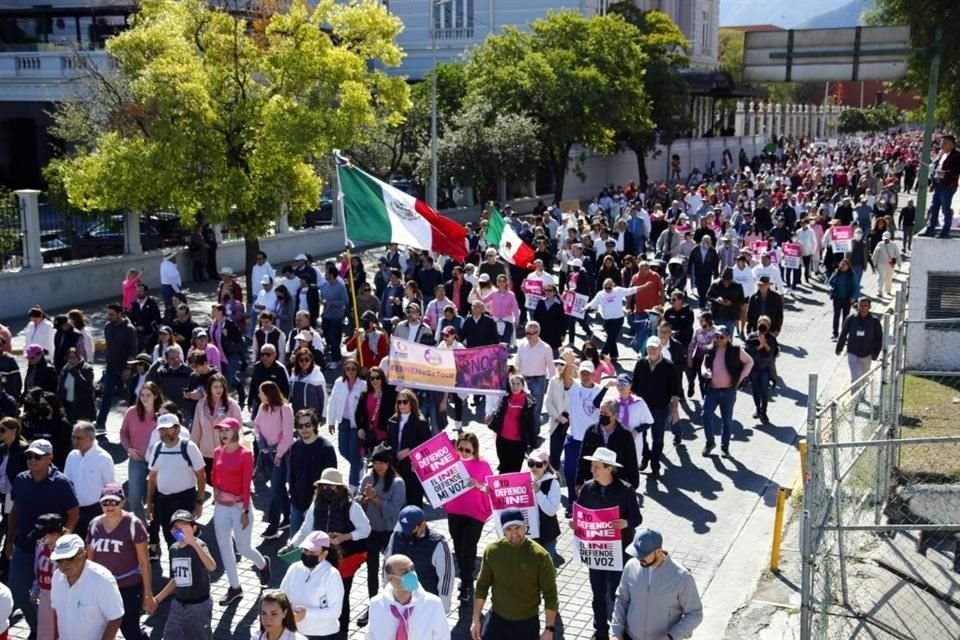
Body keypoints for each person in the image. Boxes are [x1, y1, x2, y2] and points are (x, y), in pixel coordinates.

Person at [283, 468, 371, 637]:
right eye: (323, 486)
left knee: (341, 597)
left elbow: (365, 529)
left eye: (331, 487)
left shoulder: (351, 506)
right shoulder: (316, 504)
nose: (326, 490)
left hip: (345, 558)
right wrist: (292, 544)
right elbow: (306, 528)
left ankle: (342, 632)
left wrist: (344, 537)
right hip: (318, 556)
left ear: (340, 488)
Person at [5, 438, 79, 637]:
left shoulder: (61, 483)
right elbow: (15, 510)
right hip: (23, 546)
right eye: (29, 456)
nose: (31, 460)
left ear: (50, 458)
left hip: (51, 552)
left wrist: (63, 541)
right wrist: (9, 540)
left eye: (37, 456)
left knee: (52, 596)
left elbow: (73, 513)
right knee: (18, 592)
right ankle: (37, 626)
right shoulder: (21, 479)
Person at [575, 447, 643, 640]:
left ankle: (619, 627)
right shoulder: (588, 488)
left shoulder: (625, 490)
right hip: (596, 551)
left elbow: (637, 518)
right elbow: (579, 513)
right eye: (592, 466)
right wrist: (576, 523)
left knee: (617, 593)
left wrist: (626, 523)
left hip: (619, 551)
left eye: (596, 467)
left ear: (609, 468)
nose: (592, 470)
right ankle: (600, 628)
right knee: (597, 592)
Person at [471, 508, 559, 640]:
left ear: (525, 526)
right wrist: (475, 620)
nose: (514, 533)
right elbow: (482, 586)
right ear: (503, 531)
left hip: (526, 624)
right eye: (509, 529)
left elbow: (551, 595)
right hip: (497, 620)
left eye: (517, 527)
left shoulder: (540, 556)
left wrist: (549, 629)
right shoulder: (492, 551)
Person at [210, 417, 270, 606]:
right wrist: (217, 492)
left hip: (239, 506)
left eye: (226, 430)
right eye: (220, 431)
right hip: (221, 506)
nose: (223, 434)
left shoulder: (245, 454)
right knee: (224, 546)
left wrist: (244, 510)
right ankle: (235, 587)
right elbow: (214, 476)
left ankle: (262, 564)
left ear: (236, 431)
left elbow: (246, 485)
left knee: (243, 548)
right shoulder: (217, 452)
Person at [85, 484, 153, 640]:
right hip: (100, 587)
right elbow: (89, 559)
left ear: (123, 502)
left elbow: (144, 562)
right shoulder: (94, 524)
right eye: (105, 502)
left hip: (127, 587)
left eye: (114, 502)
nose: (110, 506)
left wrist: (148, 594)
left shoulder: (133, 524)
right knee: (100, 630)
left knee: (130, 630)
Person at [612, 528, 703, 640]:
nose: (638, 558)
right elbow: (622, 599)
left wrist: (672, 636)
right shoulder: (631, 566)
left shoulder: (682, 577)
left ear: (659, 551)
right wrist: (616, 632)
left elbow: (695, 614)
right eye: (636, 553)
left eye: (643, 555)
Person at [356, 444, 406, 622]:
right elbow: (357, 502)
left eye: (381, 463)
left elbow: (393, 510)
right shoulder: (368, 478)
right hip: (371, 531)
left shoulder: (397, 483)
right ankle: (373, 604)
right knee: (371, 569)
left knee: (393, 569)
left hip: (389, 531)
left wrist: (375, 498)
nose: (378, 466)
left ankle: (396, 601)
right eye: (375, 462)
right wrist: (363, 499)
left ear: (388, 463)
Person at [443, 432, 493, 603]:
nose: (463, 453)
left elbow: (492, 489)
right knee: (458, 547)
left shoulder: (483, 465)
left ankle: (466, 583)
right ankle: (466, 577)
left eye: (467, 450)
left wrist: (478, 485)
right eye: (460, 449)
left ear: (475, 449)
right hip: (455, 511)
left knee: (468, 548)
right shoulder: (451, 463)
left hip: (475, 513)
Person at [146, 414, 206, 548]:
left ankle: (194, 565)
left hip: (184, 499)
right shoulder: (157, 448)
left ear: (177, 429)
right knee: (170, 538)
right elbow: (152, 477)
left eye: (168, 429)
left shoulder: (189, 447)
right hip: (163, 501)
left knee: (187, 539)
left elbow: (201, 476)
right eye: (161, 430)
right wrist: (150, 502)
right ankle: (176, 566)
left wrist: (199, 502)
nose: (164, 433)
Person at [153, 510, 216, 640]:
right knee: (170, 635)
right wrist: (157, 599)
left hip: (199, 606)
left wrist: (193, 543)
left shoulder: (200, 545)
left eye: (184, 526)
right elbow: (176, 579)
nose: (180, 530)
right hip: (178, 604)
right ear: (171, 531)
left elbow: (212, 566)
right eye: (176, 527)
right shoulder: (174, 549)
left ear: (194, 528)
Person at [49, 534, 124, 640]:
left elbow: (115, 618)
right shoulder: (57, 577)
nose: (64, 564)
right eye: (59, 560)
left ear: (83, 555)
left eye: (70, 558)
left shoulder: (102, 580)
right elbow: (56, 612)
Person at [384, 505, 454, 613]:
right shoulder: (396, 535)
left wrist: (443, 608)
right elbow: (387, 565)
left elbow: (446, 576)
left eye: (411, 529)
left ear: (423, 524)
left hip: (425, 603)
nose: (406, 533)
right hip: (401, 601)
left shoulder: (437, 544)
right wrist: (386, 592)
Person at [367, 553, 451, 640]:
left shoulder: (433, 604)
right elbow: (371, 635)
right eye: (405, 572)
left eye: (412, 568)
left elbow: (443, 636)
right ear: (390, 578)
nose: (412, 574)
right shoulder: (376, 604)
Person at [278, 531, 343, 640]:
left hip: (323, 635)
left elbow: (335, 611)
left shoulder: (332, 575)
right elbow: (282, 596)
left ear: (324, 554)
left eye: (313, 552)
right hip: (296, 632)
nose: (307, 554)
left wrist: (306, 614)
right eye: (305, 550)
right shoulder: (294, 568)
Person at [559, 355, 604, 512]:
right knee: (570, 472)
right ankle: (572, 501)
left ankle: (589, 503)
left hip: (592, 441)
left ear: (593, 374)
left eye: (588, 373)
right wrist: (569, 363)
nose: (585, 376)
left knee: (592, 474)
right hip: (574, 439)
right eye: (583, 372)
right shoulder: (575, 388)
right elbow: (565, 379)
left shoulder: (600, 391)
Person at [700, 326, 754, 457]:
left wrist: (740, 378)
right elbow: (703, 364)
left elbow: (749, 362)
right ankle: (710, 442)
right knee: (705, 415)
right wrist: (704, 372)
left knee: (727, 420)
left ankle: (725, 447)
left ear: (728, 338)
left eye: (721, 337)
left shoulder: (735, 350)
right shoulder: (710, 349)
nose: (718, 340)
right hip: (712, 390)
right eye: (716, 337)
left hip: (728, 391)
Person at [253, 380, 295, 540]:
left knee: (276, 489)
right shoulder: (263, 408)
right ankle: (288, 517)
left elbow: (288, 436)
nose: (258, 395)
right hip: (265, 454)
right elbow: (256, 426)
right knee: (278, 487)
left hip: (280, 456)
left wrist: (279, 454)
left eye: (261, 392)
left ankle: (273, 525)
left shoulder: (285, 409)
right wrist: (261, 441)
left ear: (269, 393)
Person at [289, 409, 338, 535]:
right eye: (300, 426)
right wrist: (293, 497)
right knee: (294, 544)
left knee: (315, 546)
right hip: (297, 504)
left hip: (318, 506)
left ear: (314, 425)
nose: (304, 429)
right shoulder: (295, 447)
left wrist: (313, 506)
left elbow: (331, 483)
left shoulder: (326, 449)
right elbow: (293, 475)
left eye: (307, 425)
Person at [64, 421, 116, 539]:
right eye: (73, 437)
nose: (75, 441)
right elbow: (66, 482)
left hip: (95, 511)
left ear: (90, 438)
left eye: (79, 438)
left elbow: (110, 488)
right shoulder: (72, 456)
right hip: (73, 511)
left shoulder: (103, 458)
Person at [578, 399, 640, 490]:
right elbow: (582, 457)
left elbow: (631, 461)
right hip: (594, 481)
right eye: (601, 413)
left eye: (605, 414)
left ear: (615, 415)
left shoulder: (625, 435)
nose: (602, 416)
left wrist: (633, 485)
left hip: (616, 483)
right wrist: (578, 482)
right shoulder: (591, 431)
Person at [386, 389, 432, 507]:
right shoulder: (392, 420)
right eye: (399, 402)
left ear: (412, 403)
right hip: (396, 465)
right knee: (397, 499)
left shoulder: (420, 422)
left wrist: (410, 450)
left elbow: (427, 444)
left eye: (405, 402)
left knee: (414, 499)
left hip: (413, 467)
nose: (401, 405)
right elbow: (389, 442)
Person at [97, 303, 138, 434]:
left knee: (131, 397)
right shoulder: (107, 327)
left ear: (120, 314)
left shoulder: (129, 329)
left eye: (112, 314)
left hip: (126, 368)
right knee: (106, 395)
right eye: (108, 314)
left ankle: (133, 426)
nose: (108, 317)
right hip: (111, 367)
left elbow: (133, 351)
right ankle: (100, 424)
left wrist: (128, 368)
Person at [191, 373, 241, 477]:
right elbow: (196, 428)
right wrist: (192, 449)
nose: (219, 389)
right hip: (206, 451)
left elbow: (238, 427)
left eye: (221, 386)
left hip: (226, 451)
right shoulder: (201, 404)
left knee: (224, 482)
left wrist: (235, 447)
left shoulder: (231, 404)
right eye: (216, 387)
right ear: (209, 388)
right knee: (210, 480)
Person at [486, 375, 538, 473]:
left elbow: (531, 424)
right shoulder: (505, 397)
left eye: (518, 384)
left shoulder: (529, 402)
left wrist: (533, 444)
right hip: (502, 439)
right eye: (513, 383)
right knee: (504, 467)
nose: (515, 386)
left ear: (523, 386)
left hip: (518, 442)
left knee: (514, 469)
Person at [328, 359, 367, 489]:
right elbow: (332, 401)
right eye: (348, 368)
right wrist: (331, 421)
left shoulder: (363, 385)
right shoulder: (339, 383)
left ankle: (353, 485)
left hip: (356, 424)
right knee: (343, 450)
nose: (350, 371)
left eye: (353, 369)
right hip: (343, 421)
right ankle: (361, 465)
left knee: (354, 454)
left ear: (358, 370)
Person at [836, 297, 884, 389]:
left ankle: (861, 393)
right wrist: (839, 348)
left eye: (866, 306)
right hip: (852, 352)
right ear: (857, 306)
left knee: (864, 376)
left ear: (869, 307)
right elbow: (843, 334)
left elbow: (879, 339)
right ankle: (854, 399)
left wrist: (875, 353)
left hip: (867, 354)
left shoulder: (874, 321)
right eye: (861, 306)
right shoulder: (850, 319)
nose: (863, 308)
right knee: (856, 376)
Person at [527, 449, 562, 565]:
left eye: (538, 464)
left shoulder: (553, 483)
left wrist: (538, 492)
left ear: (546, 465)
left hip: (547, 533)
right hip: (529, 534)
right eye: (531, 463)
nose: (534, 468)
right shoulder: (524, 479)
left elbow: (551, 511)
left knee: (546, 569)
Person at [921, 134, 959, 238]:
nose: (942, 145)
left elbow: (957, 170)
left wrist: (945, 173)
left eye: (945, 143)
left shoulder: (957, 155)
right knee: (934, 207)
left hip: (948, 185)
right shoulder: (941, 154)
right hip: (938, 184)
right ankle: (930, 229)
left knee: (945, 208)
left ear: (952, 144)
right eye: (941, 142)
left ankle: (945, 230)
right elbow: (936, 166)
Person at [745, 316, 779, 425]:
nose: (762, 325)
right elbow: (748, 353)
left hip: (765, 369)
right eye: (761, 323)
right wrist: (759, 346)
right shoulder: (751, 336)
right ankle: (757, 408)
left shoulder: (771, 338)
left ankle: (763, 412)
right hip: (754, 369)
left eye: (765, 324)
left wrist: (766, 345)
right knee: (755, 390)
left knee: (764, 391)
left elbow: (772, 355)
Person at [247, 344, 291, 418]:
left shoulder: (280, 369)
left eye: (268, 354)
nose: (265, 357)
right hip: (259, 404)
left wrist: (284, 405)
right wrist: (249, 401)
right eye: (262, 354)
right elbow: (253, 385)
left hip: (276, 405)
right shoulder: (257, 367)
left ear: (274, 355)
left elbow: (286, 389)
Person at [58, 347, 96, 423]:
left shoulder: (87, 369)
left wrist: (74, 371)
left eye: (73, 357)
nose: (71, 360)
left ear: (78, 357)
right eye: (69, 357)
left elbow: (87, 387)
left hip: (82, 408)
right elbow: (61, 387)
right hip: (68, 406)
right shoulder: (65, 369)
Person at [290, 348, 328, 417]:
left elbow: (324, 397)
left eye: (307, 360)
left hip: (313, 415)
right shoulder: (294, 374)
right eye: (301, 360)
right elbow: (291, 396)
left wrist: (323, 415)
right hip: (298, 414)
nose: (304, 362)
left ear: (311, 360)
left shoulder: (317, 374)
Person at [827, 259, 856, 340]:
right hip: (837, 298)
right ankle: (835, 333)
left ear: (848, 266)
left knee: (846, 317)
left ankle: (844, 334)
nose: (842, 266)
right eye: (841, 264)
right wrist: (830, 288)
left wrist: (854, 297)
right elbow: (829, 282)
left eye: (844, 265)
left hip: (847, 299)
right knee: (836, 315)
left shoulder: (852, 275)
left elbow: (856, 286)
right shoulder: (836, 273)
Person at [871, 231, 900, 297]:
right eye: (884, 239)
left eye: (887, 239)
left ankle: (888, 290)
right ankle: (879, 290)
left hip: (890, 264)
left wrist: (899, 263)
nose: (885, 240)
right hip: (880, 263)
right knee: (881, 277)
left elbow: (897, 254)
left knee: (889, 277)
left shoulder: (894, 245)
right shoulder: (879, 244)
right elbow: (875, 254)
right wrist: (873, 264)